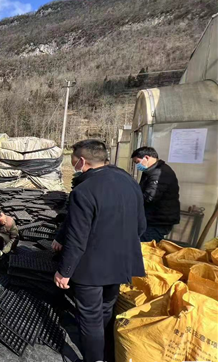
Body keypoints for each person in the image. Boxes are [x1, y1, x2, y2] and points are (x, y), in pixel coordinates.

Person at [52, 140, 146, 362]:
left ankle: (95, 358)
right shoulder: (129, 182)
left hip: (92, 268)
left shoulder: (83, 191)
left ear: (82, 161)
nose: (73, 165)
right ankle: (105, 351)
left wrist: (64, 271)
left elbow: (77, 239)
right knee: (106, 309)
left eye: (73, 161)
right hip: (122, 262)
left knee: (90, 318)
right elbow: (141, 225)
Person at [131, 146, 180, 242]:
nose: (137, 166)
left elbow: (150, 197)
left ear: (146, 157)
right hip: (152, 218)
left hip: (159, 220)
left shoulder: (160, 173)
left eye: (137, 162)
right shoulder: (150, 171)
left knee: (145, 245)